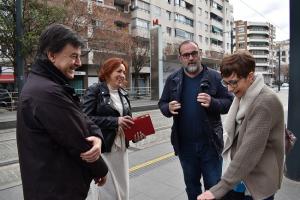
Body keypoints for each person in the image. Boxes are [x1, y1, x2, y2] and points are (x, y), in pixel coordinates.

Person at [16, 24, 108, 200]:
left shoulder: (43, 84)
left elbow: (80, 116)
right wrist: (101, 169)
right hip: (56, 190)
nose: (79, 63)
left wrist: (96, 134)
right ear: (52, 55)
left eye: (79, 57)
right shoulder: (48, 92)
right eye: (73, 56)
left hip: (47, 186)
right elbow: (78, 139)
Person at [197, 51, 285, 200]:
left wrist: (220, 188)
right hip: (240, 177)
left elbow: (249, 151)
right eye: (226, 83)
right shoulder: (245, 94)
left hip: (258, 181)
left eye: (234, 82)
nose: (229, 89)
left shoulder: (264, 102)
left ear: (250, 77)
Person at [158, 40, 233, 200]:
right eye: (186, 55)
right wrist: (168, 108)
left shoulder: (215, 77)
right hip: (185, 147)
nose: (191, 58)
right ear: (181, 58)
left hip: (211, 145)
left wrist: (213, 103)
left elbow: (230, 102)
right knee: (191, 186)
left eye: (194, 53)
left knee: (213, 187)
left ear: (200, 54)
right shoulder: (173, 79)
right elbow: (162, 103)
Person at [82, 57, 145, 200]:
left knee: (121, 191)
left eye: (124, 72)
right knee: (106, 192)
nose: (123, 75)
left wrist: (135, 135)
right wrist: (115, 121)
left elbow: (127, 121)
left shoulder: (123, 93)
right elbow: (85, 119)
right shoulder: (95, 90)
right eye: (119, 71)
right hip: (104, 149)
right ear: (108, 72)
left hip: (121, 149)